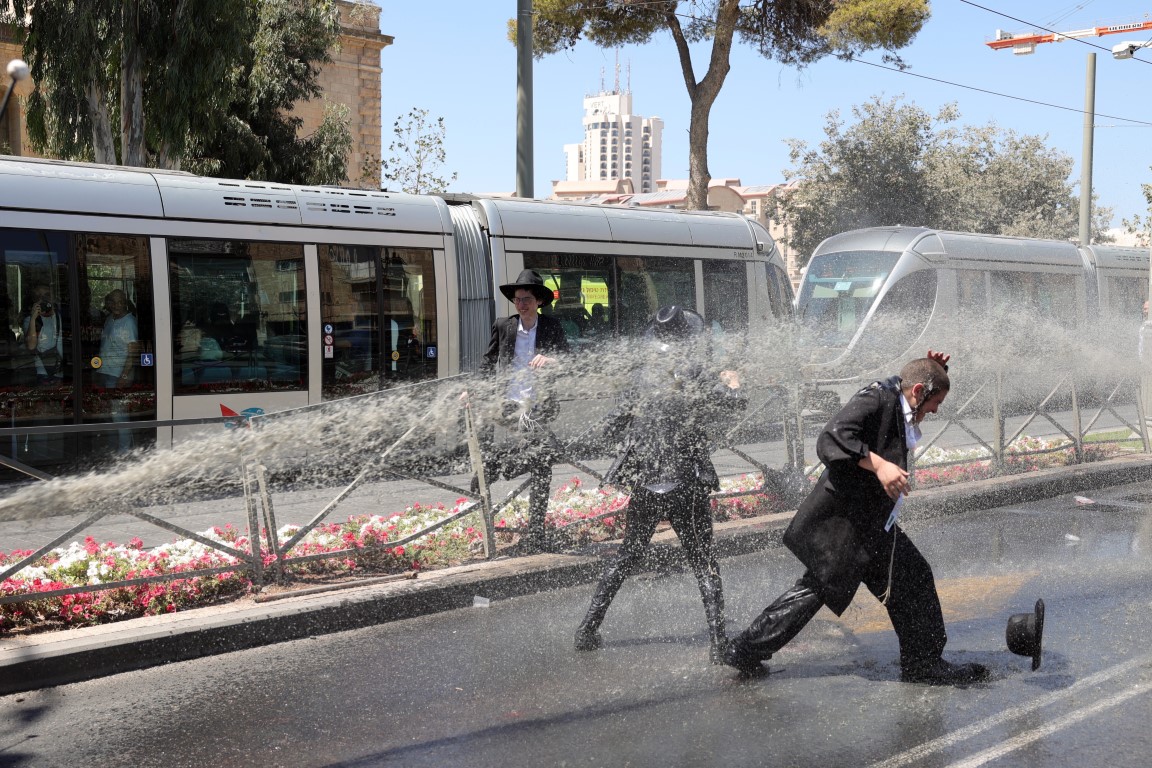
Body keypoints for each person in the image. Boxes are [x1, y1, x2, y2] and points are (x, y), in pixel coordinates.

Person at [724, 351, 990, 685]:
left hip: (871, 523)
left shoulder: (902, 397)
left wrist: (938, 369)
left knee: (909, 579)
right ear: (918, 391)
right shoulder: (877, 397)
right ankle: (745, 649)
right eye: (935, 401)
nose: (936, 410)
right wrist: (879, 464)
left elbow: (918, 380)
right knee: (819, 587)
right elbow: (831, 438)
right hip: (848, 524)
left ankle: (923, 662)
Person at [574, 306, 746, 663]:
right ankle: (717, 644)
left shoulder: (640, 376)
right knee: (703, 561)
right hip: (686, 482)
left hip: (648, 483)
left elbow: (613, 422)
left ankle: (588, 628)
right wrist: (733, 384)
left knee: (626, 556)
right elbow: (733, 404)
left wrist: (580, 443)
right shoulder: (697, 372)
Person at [475, 269, 570, 553]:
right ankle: (499, 467)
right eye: (517, 299)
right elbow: (488, 362)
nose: (521, 304)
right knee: (543, 459)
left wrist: (551, 360)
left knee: (542, 467)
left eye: (526, 299)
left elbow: (568, 360)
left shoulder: (552, 327)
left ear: (539, 300)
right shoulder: (504, 325)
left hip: (538, 408)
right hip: (509, 406)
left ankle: (535, 530)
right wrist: (474, 389)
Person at [98, 289, 140, 451]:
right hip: (106, 372)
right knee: (111, 414)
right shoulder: (110, 319)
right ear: (108, 303)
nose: (116, 305)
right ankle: (114, 446)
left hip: (119, 374)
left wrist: (124, 375)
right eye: (113, 302)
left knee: (119, 415)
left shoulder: (129, 322)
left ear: (126, 303)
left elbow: (133, 352)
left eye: (120, 301)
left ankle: (124, 452)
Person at [22, 283, 63, 385]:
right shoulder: (30, 320)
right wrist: (33, 318)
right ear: (35, 300)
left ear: (53, 298)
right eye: (38, 297)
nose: (43, 299)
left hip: (62, 371)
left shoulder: (60, 317)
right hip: (43, 373)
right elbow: (31, 346)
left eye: (47, 295)